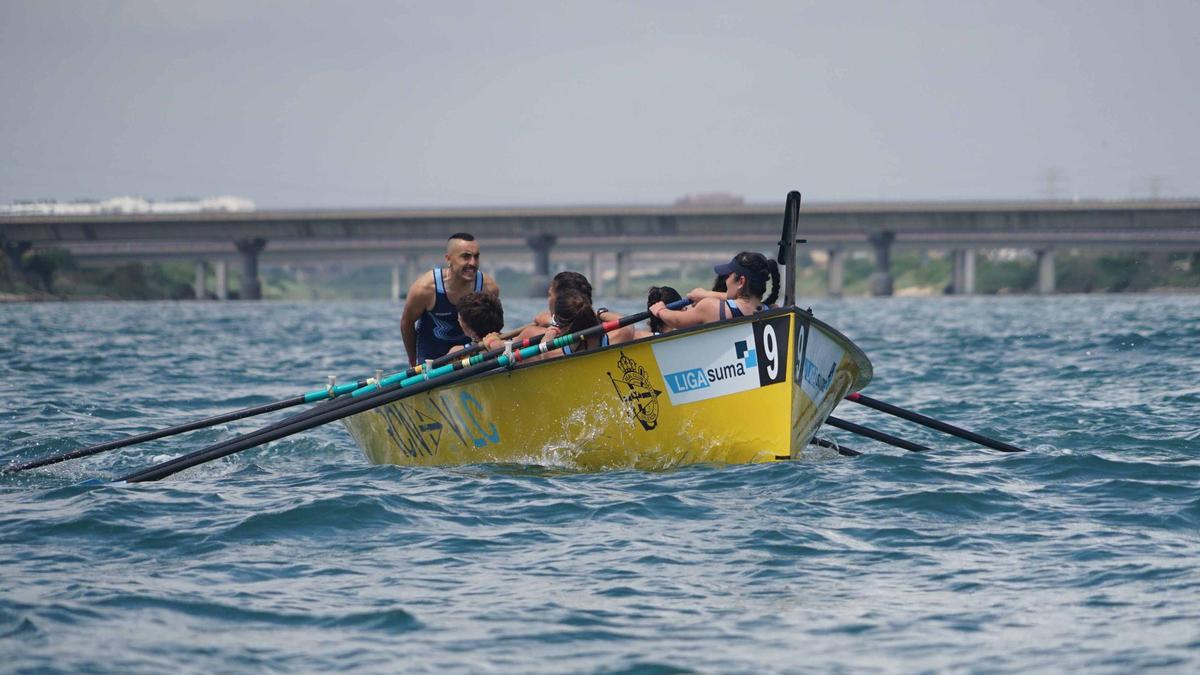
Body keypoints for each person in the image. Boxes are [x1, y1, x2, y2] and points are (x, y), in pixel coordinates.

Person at [400, 233, 501, 366]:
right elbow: (406, 324)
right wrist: (413, 363)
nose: (472, 263)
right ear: (448, 259)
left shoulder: (488, 288)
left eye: (476, 257)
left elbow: (493, 328)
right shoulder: (424, 289)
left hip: (470, 355)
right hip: (431, 361)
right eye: (466, 257)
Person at [649, 252, 779, 329]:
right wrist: (707, 294)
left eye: (729, 276)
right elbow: (744, 302)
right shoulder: (773, 311)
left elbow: (677, 321)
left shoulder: (711, 307)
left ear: (741, 281)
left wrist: (660, 310)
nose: (726, 281)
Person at [535, 289, 634, 360]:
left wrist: (551, 330)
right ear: (590, 312)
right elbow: (627, 325)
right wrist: (599, 313)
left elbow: (543, 353)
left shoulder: (556, 354)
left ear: (561, 323)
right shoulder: (616, 339)